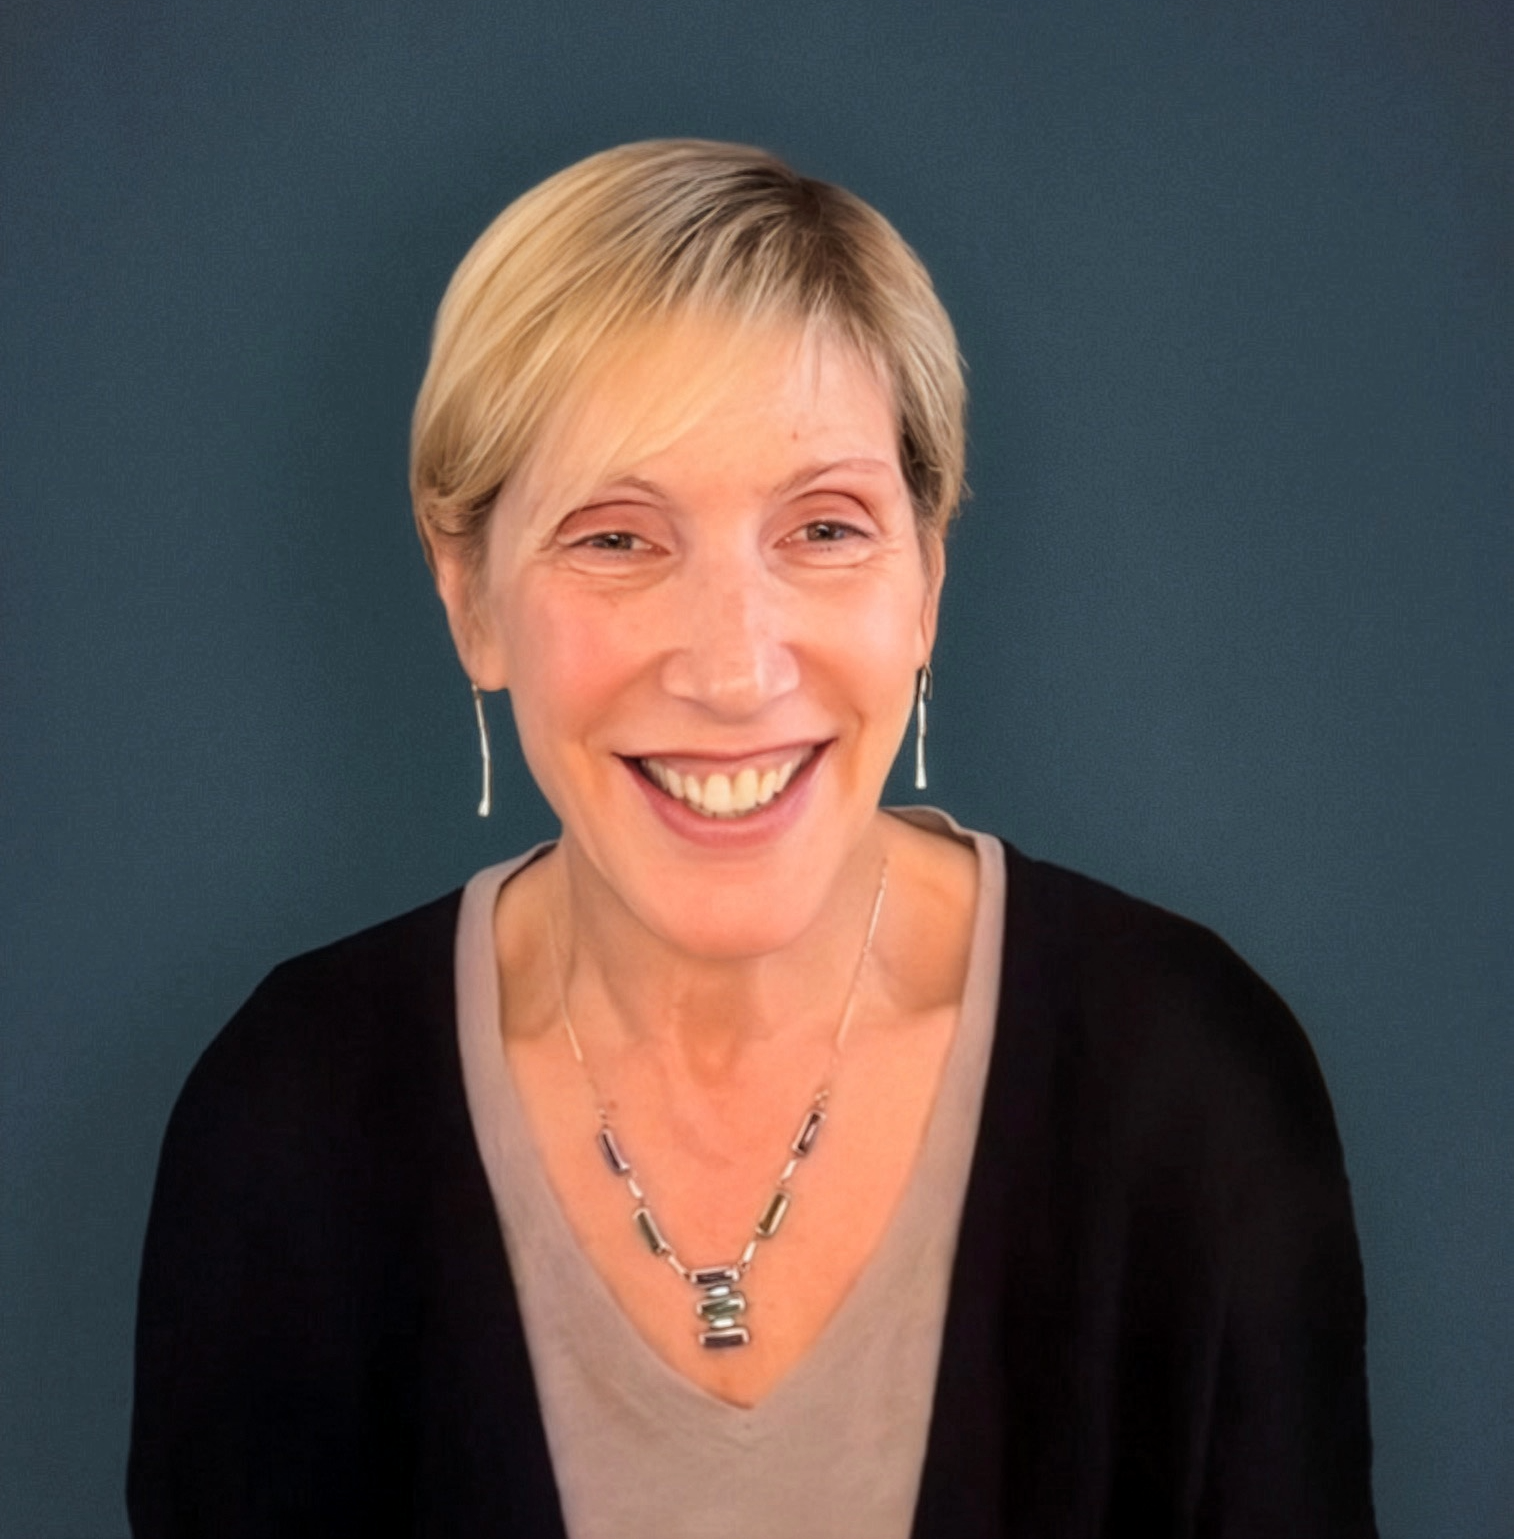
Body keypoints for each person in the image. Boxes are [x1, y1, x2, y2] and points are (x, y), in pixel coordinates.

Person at [128, 139, 1376, 1537]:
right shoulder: (286, 1122)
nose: (733, 668)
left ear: (926, 578)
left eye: (824, 527)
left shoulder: (1189, 1087)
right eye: (615, 538)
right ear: (465, 590)